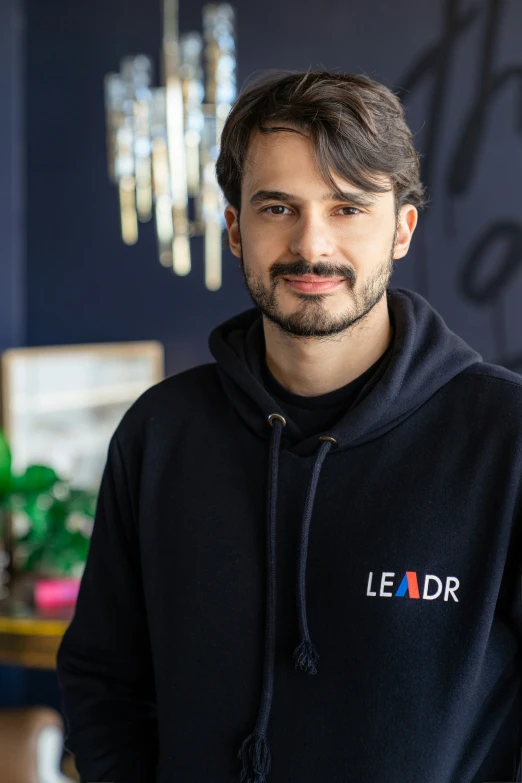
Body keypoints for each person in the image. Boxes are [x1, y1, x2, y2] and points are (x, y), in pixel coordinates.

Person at [56, 70, 522, 783]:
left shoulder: (506, 438)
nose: (312, 246)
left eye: (347, 207)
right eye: (278, 207)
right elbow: (103, 677)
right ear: (236, 228)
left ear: (402, 228)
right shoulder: (160, 433)